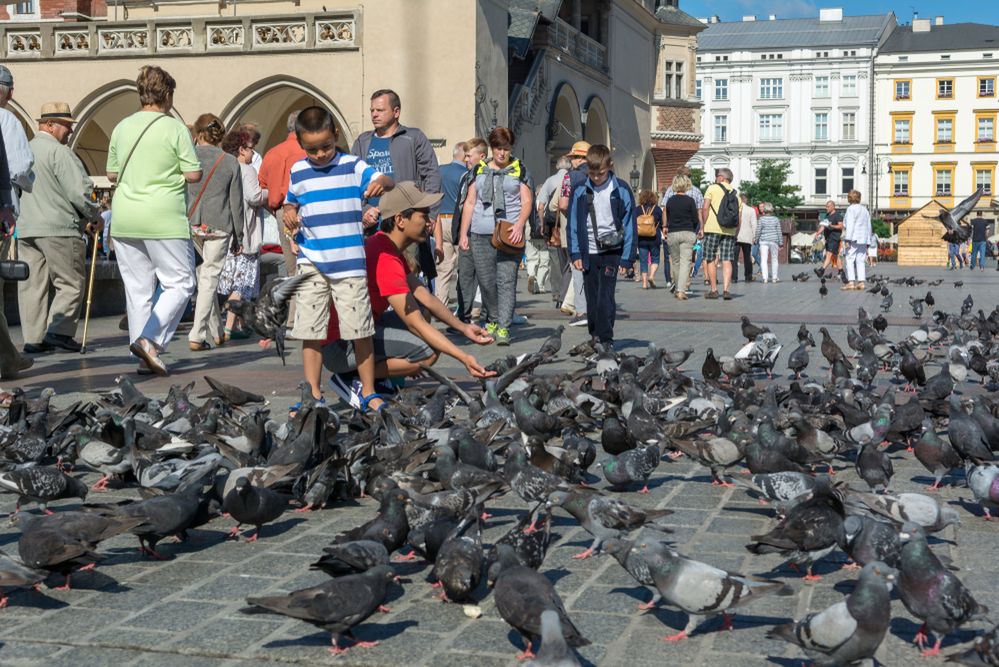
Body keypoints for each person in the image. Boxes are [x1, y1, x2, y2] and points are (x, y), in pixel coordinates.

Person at [324, 182, 494, 382]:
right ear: (400, 220)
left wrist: (463, 327)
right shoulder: (385, 258)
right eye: (423, 215)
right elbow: (415, 324)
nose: (430, 222)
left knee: (424, 311)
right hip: (340, 348)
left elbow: (425, 298)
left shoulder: (386, 245)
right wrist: (463, 357)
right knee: (428, 352)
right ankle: (354, 379)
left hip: (358, 332)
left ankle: (378, 377)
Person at [282, 106, 394, 412]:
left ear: (336, 136)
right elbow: (290, 204)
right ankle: (312, 394)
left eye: (325, 147)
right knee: (310, 332)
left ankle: (368, 391)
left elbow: (385, 180)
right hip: (312, 262)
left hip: (348, 263)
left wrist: (381, 183)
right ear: (301, 144)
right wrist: (289, 213)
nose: (319, 154)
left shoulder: (351, 165)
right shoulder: (298, 170)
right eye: (312, 149)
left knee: (359, 330)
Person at [107, 65, 202, 376]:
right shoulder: (174, 128)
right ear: (168, 95)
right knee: (181, 282)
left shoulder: (121, 127)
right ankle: (150, 341)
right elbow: (193, 174)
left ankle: (142, 355)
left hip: (124, 217)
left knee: (137, 290)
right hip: (162, 216)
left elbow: (111, 173)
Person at [17, 102, 101, 354]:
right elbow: (79, 191)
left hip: (27, 227)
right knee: (71, 282)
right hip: (59, 228)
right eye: (67, 126)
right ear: (50, 125)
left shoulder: (25, 150)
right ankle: (59, 331)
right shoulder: (60, 153)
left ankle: (33, 338)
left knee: (32, 285)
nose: (71, 131)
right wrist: (95, 215)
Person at [351, 89, 439, 281]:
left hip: (404, 221)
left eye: (380, 110)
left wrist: (430, 215)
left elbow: (431, 174)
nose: (374, 114)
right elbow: (352, 180)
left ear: (396, 112)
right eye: (372, 110)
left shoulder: (413, 137)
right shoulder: (362, 142)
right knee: (372, 277)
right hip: (372, 224)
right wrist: (363, 209)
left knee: (406, 275)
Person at [457, 126, 531, 347]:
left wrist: (519, 225)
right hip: (480, 233)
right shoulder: (478, 170)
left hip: (509, 234)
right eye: (498, 148)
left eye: (506, 149)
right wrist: (464, 233)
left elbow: (526, 201)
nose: (501, 153)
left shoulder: (519, 169)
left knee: (506, 281)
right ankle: (493, 318)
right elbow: (470, 202)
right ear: (491, 148)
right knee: (487, 281)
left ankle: (503, 327)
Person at [566, 145, 637, 349]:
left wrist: (627, 258)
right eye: (593, 173)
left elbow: (630, 224)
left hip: (612, 251)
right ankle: (595, 334)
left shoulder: (621, 189)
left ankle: (606, 339)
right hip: (589, 251)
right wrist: (575, 253)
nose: (597, 177)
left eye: (601, 173)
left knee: (605, 296)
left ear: (610, 167)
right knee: (591, 297)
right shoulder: (580, 189)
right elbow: (572, 223)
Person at [186, 113, 244, 351]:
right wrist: (239, 236)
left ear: (198, 134)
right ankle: (197, 335)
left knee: (203, 278)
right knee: (209, 279)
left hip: (191, 224)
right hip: (219, 225)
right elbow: (236, 203)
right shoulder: (229, 161)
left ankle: (216, 331)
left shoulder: (188, 157)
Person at [0, 66, 34, 378]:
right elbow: (19, 167)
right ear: (8, 92)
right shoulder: (8, 120)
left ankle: (9, 357)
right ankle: (7, 359)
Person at [218, 128, 267, 340]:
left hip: (227, 233)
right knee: (242, 283)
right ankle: (228, 327)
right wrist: (271, 191)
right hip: (244, 234)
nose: (252, 154)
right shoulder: (246, 170)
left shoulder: (224, 167)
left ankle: (237, 325)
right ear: (241, 149)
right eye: (250, 149)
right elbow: (254, 196)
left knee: (233, 280)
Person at [258, 111, 305, 312]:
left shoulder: (272, 153)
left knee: (292, 267)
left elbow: (262, 187)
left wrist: (275, 208)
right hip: (307, 210)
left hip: (281, 213)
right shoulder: (307, 150)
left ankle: (294, 318)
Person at [558, 141, 591, 327]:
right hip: (598, 229)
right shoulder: (601, 174)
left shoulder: (570, 177)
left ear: (579, 158)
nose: (571, 161)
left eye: (572, 158)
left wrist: (572, 214)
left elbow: (563, 204)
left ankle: (581, 311)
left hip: (578, 228)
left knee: (578, 267)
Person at [536, 155, 571, 308]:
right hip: (569, 224)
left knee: (555, 260)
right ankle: (567, 291)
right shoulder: (572, 178)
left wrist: (542, 224)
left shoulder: (550, 181)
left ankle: (557, 292)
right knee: (569, 259)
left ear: (557, 166)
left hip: (553, 226)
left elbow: (541, 206)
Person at [434, 142, 466, 308]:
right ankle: (464, 306)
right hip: (457, 222)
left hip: (439, 220)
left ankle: (440, 305)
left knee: (443, 267)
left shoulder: (439, 170)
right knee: (464, 266)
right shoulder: (465, 174)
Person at [701, 168, 740, 300]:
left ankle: (714, 290)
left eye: (717, 176)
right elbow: (738, 218)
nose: (716, 178)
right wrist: (735, 232)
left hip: (712, 228)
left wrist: (703, 225)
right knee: (727, 259)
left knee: (710, 258)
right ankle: (726, 290)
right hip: (729, 230)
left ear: (722, 178)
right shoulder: (736, 195)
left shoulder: (712, 188)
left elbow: (705, 207)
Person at [664, 174, 701, 300]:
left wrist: (665, 227)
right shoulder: (690, 201)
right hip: (687, 232)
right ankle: (681, 290)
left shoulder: (670, 201)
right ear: (686, 185)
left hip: (673, 233)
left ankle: (676, 287)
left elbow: (667, 217)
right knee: (686, 262)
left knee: (675, 262)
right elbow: (695, 219)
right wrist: (696, 229)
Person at [841, 189, 872, 291]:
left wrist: (847, 239)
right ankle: (861, 282)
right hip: (863, 238)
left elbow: (850, 224)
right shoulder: (865, 210)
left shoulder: (851, 209)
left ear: (849, 198)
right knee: (860, 260)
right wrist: (868, 240)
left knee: (849, 259)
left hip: (853, 238)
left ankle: (851, 282)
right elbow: (869, 226)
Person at [635, 190, 663, 289]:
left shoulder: (638, 209)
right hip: (654, 238)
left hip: (641, 239)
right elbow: (663, 223)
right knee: (655, 258)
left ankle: (644, 283)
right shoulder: (658, 209)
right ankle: (651, 276)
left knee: (643, 261)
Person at [814, 200, 844, 277]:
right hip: (828, 238)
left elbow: (841, 226)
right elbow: (823, 226)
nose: (826, 208)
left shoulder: (838, 215)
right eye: (826, 206)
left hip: (834, 238)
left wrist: (832, 226)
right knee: (835, 255)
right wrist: (818, 233)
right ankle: (841, 271)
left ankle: (822, 270)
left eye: (828, 206)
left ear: (833, 207)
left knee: (829, 254)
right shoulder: (827, 215)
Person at [755, 202, 782, 283]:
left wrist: (756, 240)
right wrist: (781, 243)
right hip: (774, 241)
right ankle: (774, 277)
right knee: (774, 259)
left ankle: (765, 278)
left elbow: (758, 231)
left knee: (764, 260)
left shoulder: (761, 219)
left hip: (763, 241)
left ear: (765, 210)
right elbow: (779, 231)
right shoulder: (776, 219)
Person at [733, 192, 756, 283]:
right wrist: (754, 236)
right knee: (747, 257)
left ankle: (734, 277)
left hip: (736, 236)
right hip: (747, 236)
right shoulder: (751, 210)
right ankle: (748, 276)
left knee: (734, 258)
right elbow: (754, 224)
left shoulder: (735, 209)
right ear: (746, 200)